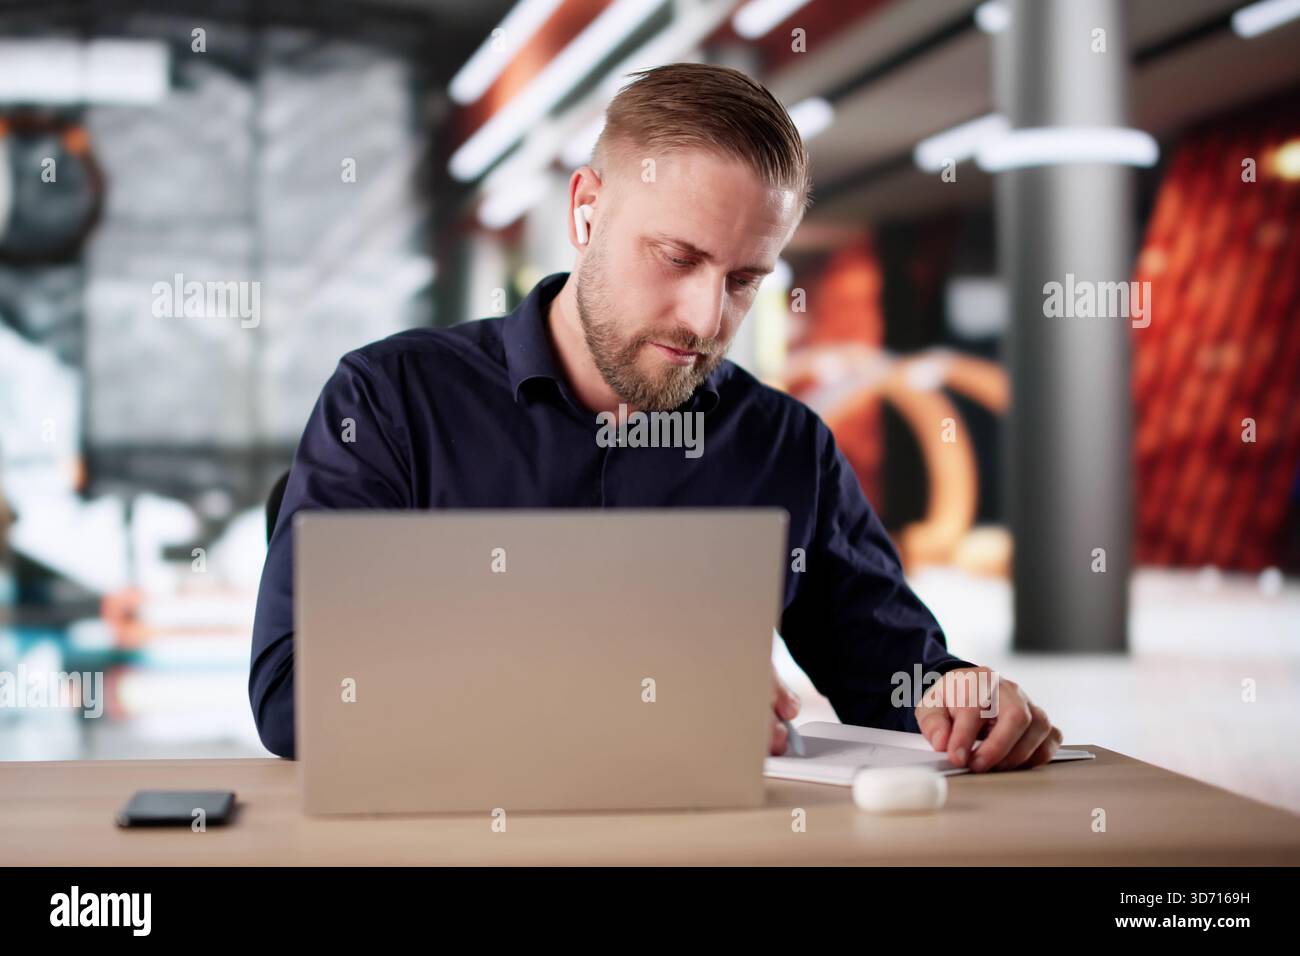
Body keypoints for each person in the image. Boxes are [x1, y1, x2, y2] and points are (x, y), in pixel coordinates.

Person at [250, 63, 1062, 771]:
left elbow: (893, 677)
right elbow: (296, 694)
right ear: (586, 211)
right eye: (679, 259)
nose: (707, 318)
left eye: (746, 278)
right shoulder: (392, 401)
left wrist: (961, 702)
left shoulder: (784, 447)